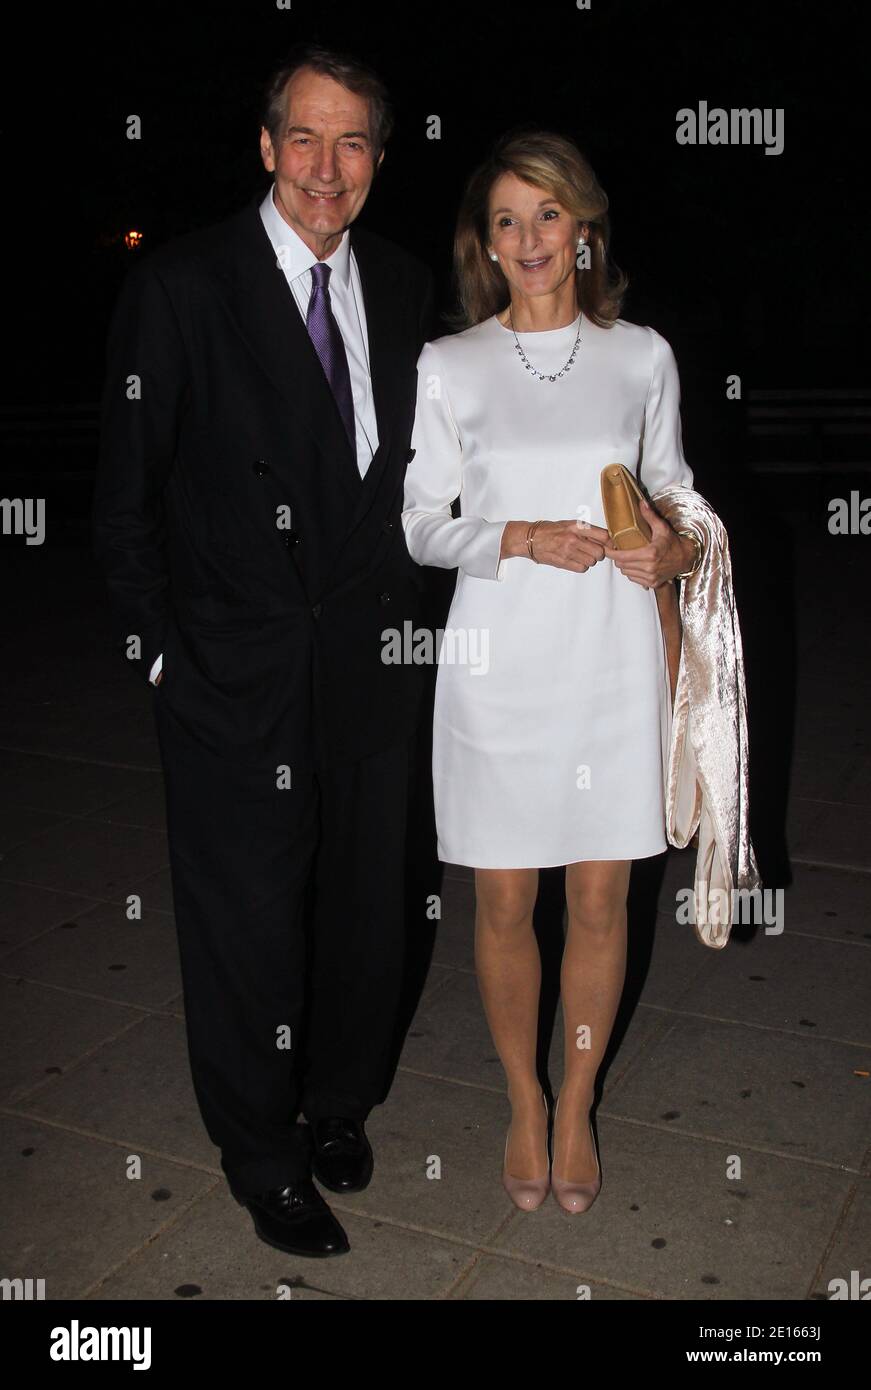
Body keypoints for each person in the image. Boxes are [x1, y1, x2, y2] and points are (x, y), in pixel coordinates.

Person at [93, 43, 434, 1257]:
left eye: (352, 144)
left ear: (379, 161)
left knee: (364, 907)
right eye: (304, 138)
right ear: (264, 147)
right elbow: (125, 497)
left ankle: (336, 1100)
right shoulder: (186, 286)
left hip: (367, 673)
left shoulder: (398, 287)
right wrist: (156, 658)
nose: (325, 168)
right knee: (244, 923)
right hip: (228, 678)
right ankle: (262, 1152)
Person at [401, 129, 701, 1214]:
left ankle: (576, 1099)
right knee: (499, 901)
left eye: (548, 215)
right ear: (484, 244)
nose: (530, 239)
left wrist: (670, 547)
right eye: (506, 221)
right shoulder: (452, 365)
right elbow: (420, 526)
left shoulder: (642, 356)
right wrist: (514, 535)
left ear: (585, 229)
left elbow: (679, 498)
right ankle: (520, 1097)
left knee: (600, 900)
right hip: (496, 665)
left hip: (612, 660)